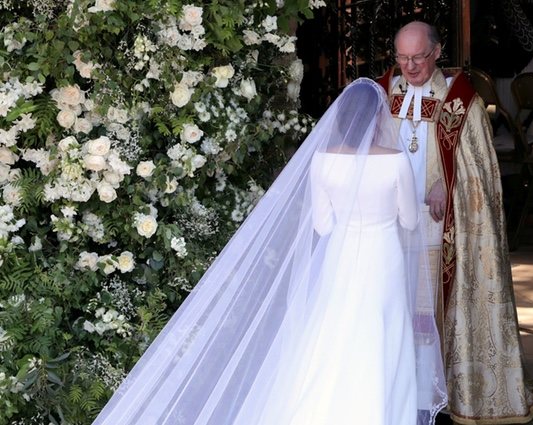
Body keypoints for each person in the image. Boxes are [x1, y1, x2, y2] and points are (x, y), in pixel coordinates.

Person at [93, 79, 447, 425]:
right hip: (382, 258)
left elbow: (322, 225)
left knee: (335, 334)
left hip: (340, 257)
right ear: (379, 117)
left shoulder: (323, 161)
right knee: (384, 335)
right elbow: (410, 219)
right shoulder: (395, 159)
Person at [377, 22, 533, 425]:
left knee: (429, 313)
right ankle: (403, 393)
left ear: (437, 53)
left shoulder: (459, 99)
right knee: (396, 311)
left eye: (417, 57)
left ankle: (442, 395)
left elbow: (479, 172)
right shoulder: (383, 92)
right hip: (390, 227)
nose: (409, 66)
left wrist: (446, 185)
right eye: (402, 57)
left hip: (438, 229)